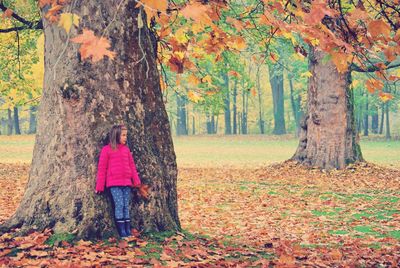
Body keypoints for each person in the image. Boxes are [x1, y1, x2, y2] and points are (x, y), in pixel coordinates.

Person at [95, 124, 141, 238]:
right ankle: (122, 232)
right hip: (114, 184)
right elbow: (102, 169)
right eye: (123, 135)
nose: (126, 137)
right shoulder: (106, 150)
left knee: (126, 205)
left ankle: (127, 230)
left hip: (127, 183)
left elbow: (132, 166)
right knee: (119, 205)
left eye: (126, 135)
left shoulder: (126, 150)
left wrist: (136, 181)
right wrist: (100, 186)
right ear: (116, 136)